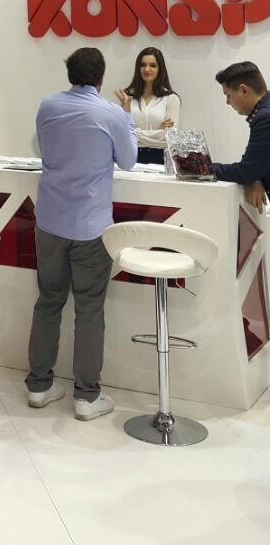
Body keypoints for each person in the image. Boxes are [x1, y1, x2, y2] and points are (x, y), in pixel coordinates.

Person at [25, 46, 138, 420]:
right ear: (101, 78)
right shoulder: (111, 113)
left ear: (69, 73)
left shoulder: (48, 106)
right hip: (90, 225)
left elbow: (44, 148)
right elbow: (129, 160)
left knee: (48, 301)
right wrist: (127, 117)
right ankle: (87, 397)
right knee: (89, 309)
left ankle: (39, 386)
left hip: (49, 220)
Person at [211, 62, 270, 211]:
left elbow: (246, 172)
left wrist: (202, 168)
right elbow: (256, 162)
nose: (227, 102)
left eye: (228, 95)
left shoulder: (265, 118)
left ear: (244, 90)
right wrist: (254, 176)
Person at [115, 46, 180, 165]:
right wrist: (158, 131)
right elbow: (122, 133)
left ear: (160, 69)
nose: (147, 69)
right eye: (143, 65)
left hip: (161, 158)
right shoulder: (128, 96)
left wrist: (134, 132)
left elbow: (169, 137)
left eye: (152, 65)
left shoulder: (171, 98)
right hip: (132, 156)